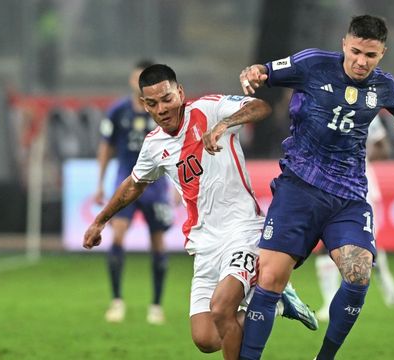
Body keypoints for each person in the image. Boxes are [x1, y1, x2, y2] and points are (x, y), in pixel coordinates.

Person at [84, 64, 318, 360]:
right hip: (204, 243)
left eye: (167, 98)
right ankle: (272, 301)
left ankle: (268, 299)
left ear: (179, 93)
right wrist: (99, 221)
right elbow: (133, 184)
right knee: (206, 339)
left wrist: (223, 125)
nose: (162, 109)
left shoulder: (209, 109)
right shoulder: (154, 145)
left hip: (242, 230)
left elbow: (261, 107)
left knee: (223, 309)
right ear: (145, 105)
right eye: (153, 103)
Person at [237, 15, 394, 360]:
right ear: (344, 44)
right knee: (270, 280)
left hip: (349, 198)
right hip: (299, 187)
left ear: (382, 53)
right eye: (355, 51)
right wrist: (252, 74)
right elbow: (262, 71)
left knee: (358, 276)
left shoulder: (385, 86)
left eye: (370, 55)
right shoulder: (313, 64)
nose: (361, 61)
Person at [95, 60, 173, 325]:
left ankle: (156, 305)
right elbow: (106, 147)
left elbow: (177, 147)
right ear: (133, 82)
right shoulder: (118, 111)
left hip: (157, 185)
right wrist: (100, 183)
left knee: (158, 243)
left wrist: (176, 186)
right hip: (126, 183)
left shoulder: (165, 111)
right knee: (117, 235)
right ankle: (116, 301)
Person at [314, 115, 394, 322]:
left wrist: (357, 156)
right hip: (328, 185)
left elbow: (383, 148)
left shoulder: (367, 108)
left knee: (365, 244)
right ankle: (329, 303)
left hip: (361, 186)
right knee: (326, 242)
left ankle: (381, 270)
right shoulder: (321, 104)